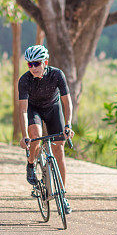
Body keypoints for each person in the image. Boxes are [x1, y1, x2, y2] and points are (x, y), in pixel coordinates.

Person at [17, 45, 75, 204]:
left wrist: (68, 125)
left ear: (45, 62)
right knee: (36, 137)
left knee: (59, 148)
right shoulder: (24, 80)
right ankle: (30, 164)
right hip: (33, 109)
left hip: (53, 108)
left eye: (36, 63)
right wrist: (25, 136)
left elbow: (66, 101)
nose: (33, 68)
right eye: (30, 64)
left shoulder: (57, 75)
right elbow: (23, 110)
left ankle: (62, 195)